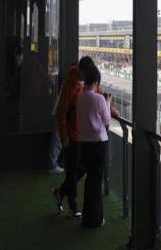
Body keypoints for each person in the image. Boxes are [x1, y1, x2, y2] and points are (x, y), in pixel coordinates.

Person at [52, 56, 95, 217]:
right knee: (72, 171)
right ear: (80, 71)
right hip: (72, 135)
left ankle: (60, 192)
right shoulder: (69, 85)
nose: (85, 78)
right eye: (84, 75)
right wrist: (64, 135)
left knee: (82, 168)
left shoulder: (89, 80)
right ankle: (73, 207)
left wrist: (111, 110)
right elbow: (61, 112)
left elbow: (98, 97)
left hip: (85, 134)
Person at [76, 65, 111, 228]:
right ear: (96, 82)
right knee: (96, 183)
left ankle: (88, 217)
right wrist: (108, 102)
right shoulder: (99, 99)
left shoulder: (80, 98)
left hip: (85, 143)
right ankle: (95, 219)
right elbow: (106, 120)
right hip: (98, 143)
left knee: (90, 181)